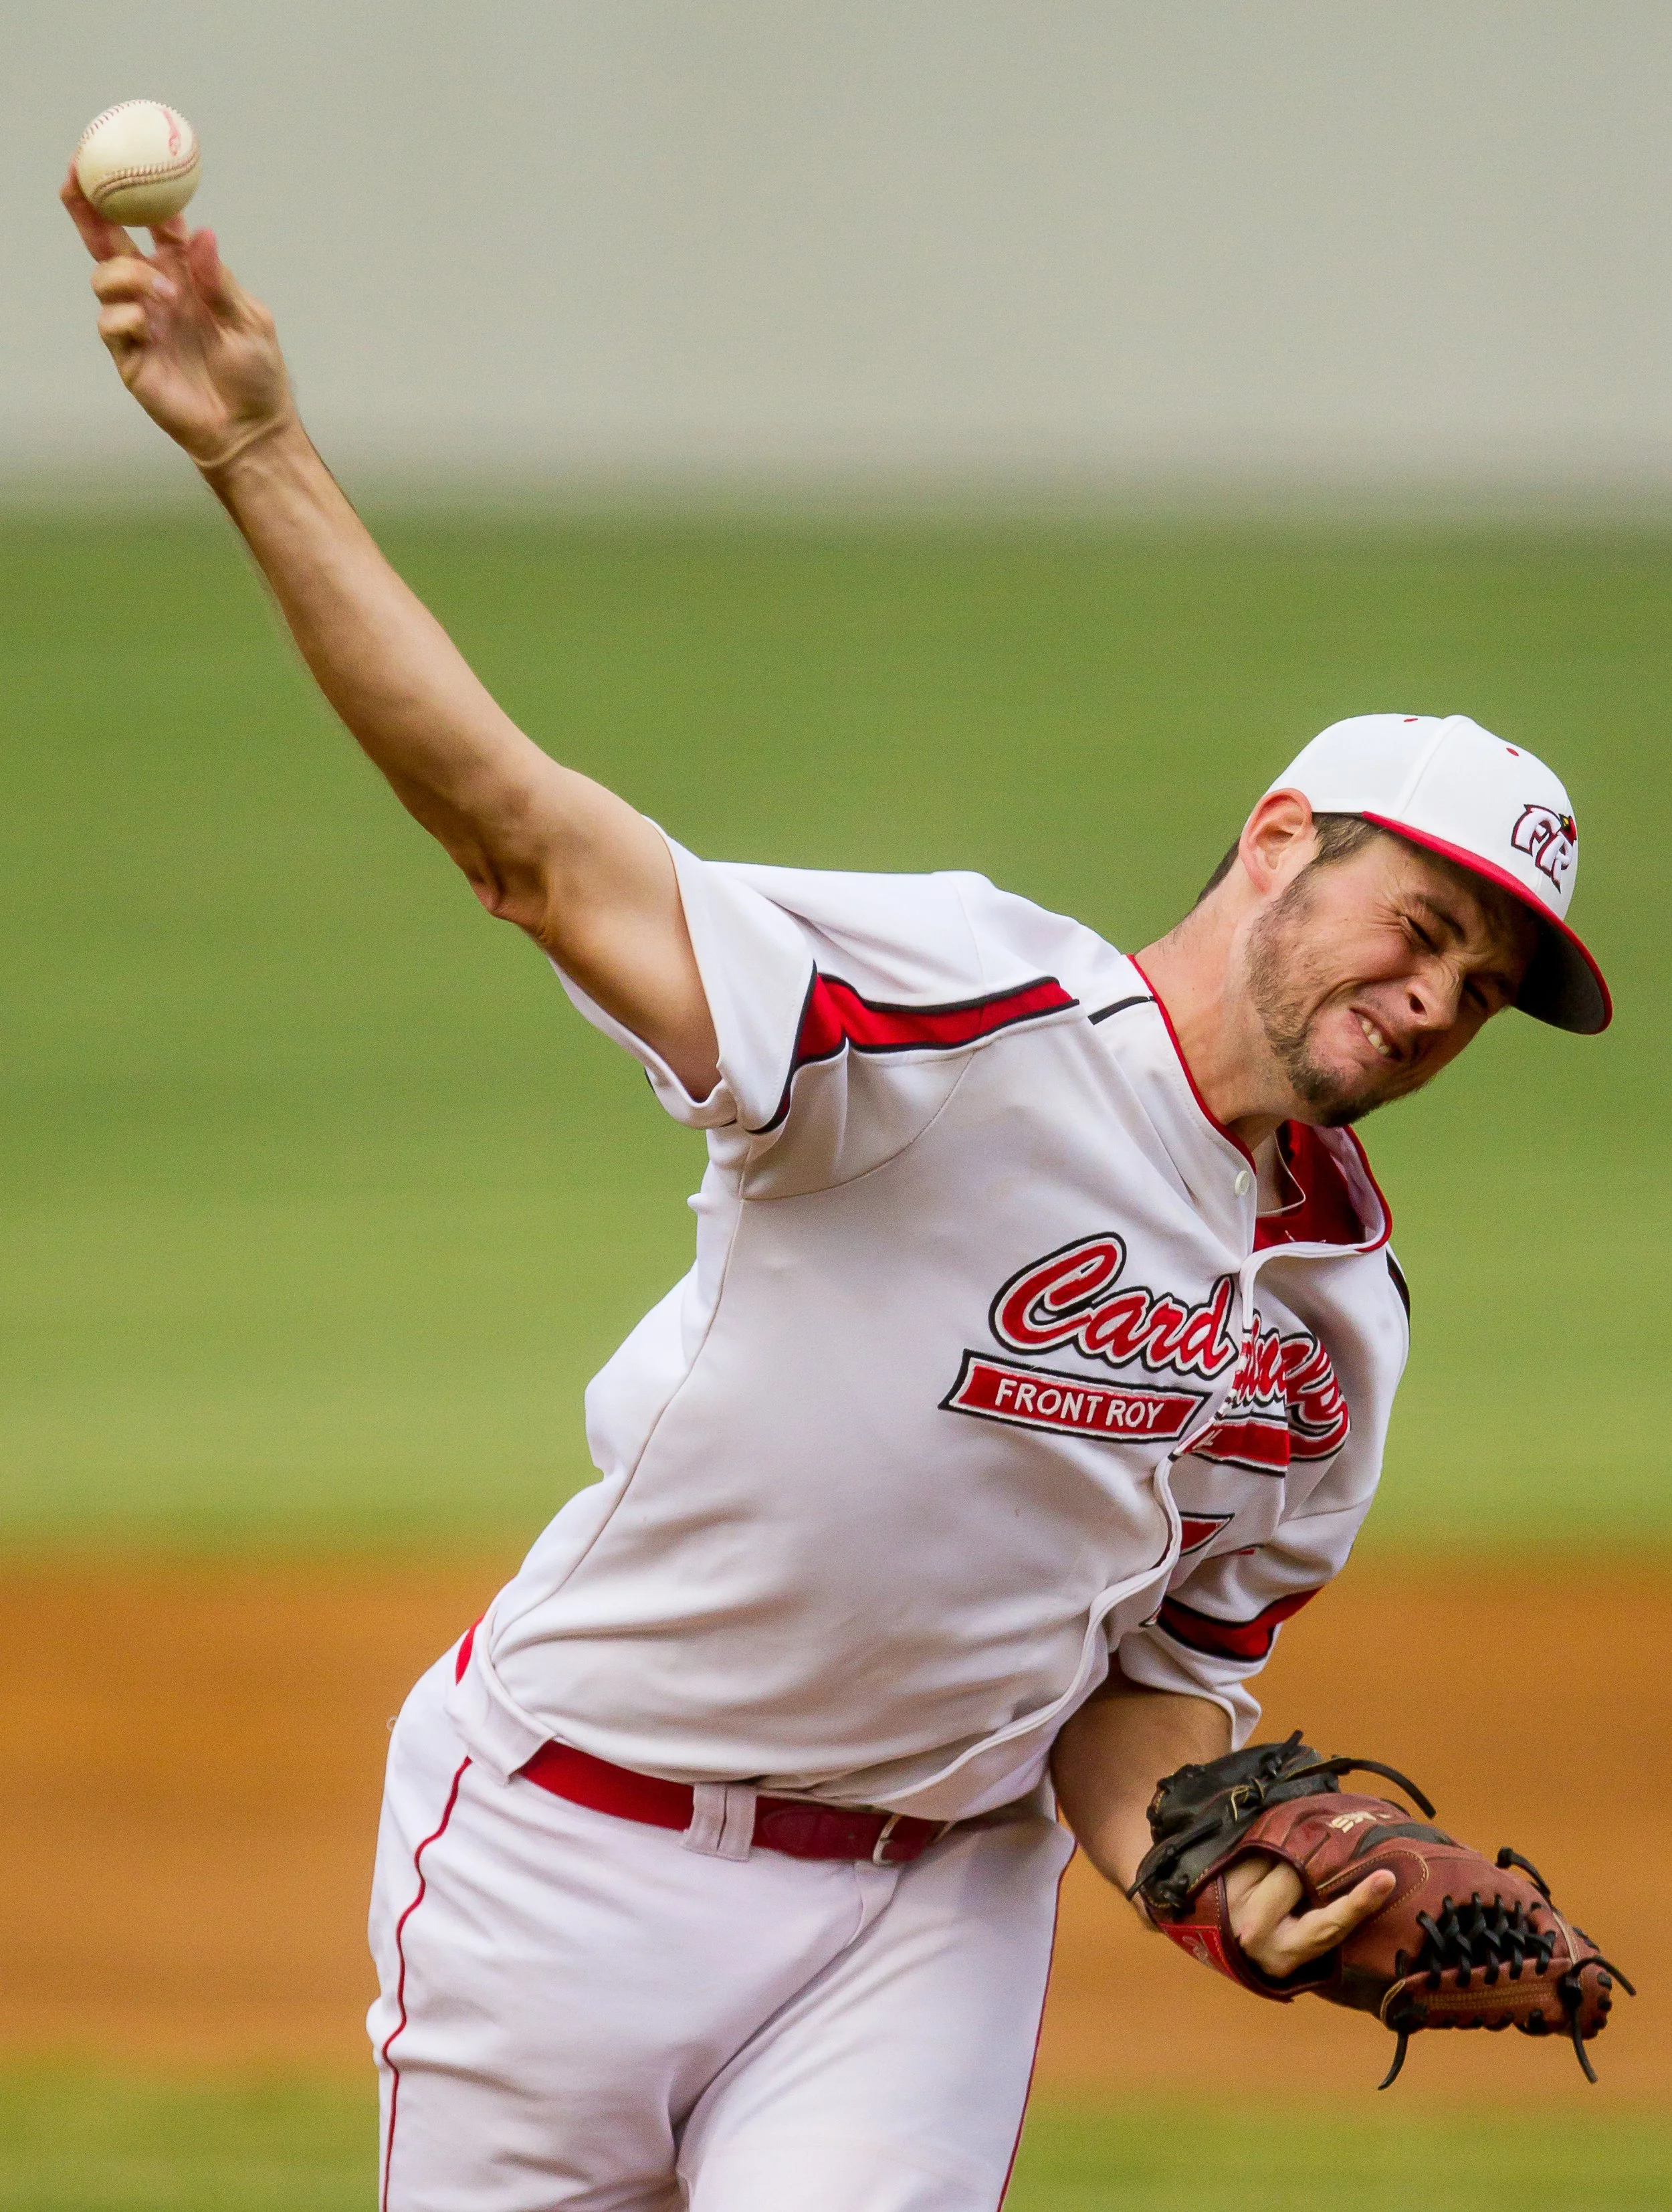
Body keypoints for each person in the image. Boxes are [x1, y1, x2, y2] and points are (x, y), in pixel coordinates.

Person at [64, 186, 1609, 2212]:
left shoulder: (1338, 1323)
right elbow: (529, 842)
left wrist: (1228, 1889)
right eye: (1418, 927)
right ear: (1272, 844)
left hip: (925, 1917)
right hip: (563, 1856)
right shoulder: (947, 1016)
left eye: (1484, 991)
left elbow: (1139, 1700)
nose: (1431, 1001)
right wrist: (257, 446)